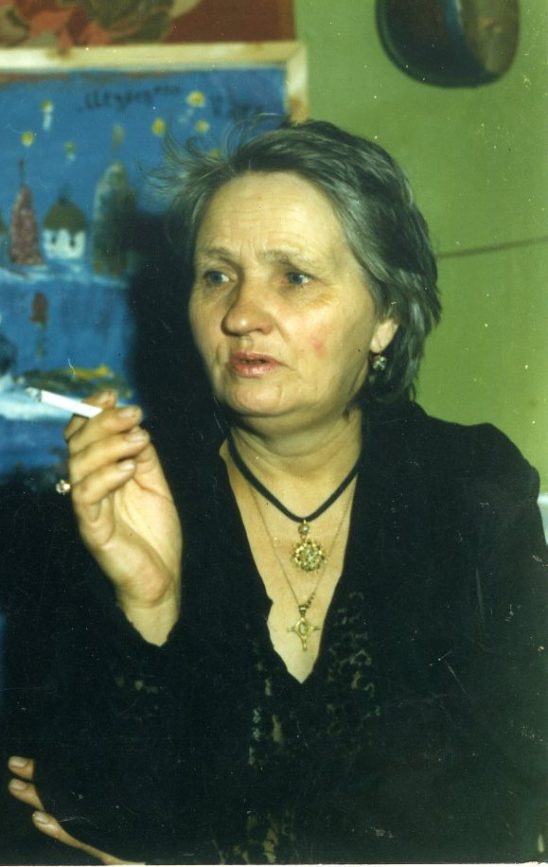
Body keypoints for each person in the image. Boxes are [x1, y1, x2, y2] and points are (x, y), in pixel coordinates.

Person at [4, 119, 547, 864]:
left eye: (293, 276)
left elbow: (505, 813)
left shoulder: (472, 487)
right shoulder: (119, 498)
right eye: (216, 275)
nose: (240, 315)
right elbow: (83, 812)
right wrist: (150, 601)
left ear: (386, 317)